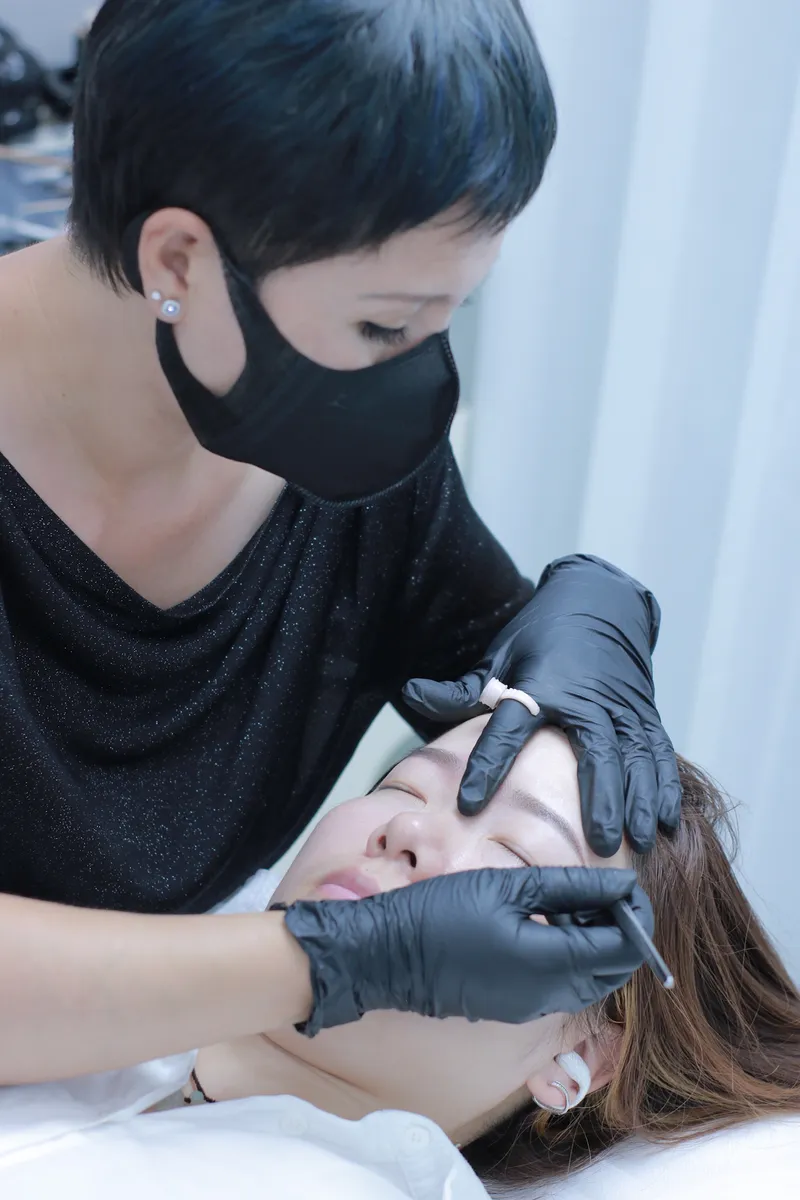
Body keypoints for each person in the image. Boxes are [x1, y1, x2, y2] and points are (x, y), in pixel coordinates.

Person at [0, 0, 679, 1083]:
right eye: (383, 326)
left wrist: (593, 607)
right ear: (178, 259)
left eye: (446, 316)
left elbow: (509, 700)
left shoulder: (341, 465)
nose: (419, 375)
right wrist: (325, 962)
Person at [1, 718, 797, 1199]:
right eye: (407, 787)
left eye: (515, 860)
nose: (406, 832)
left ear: (582, 1053)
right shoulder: (81, 944)